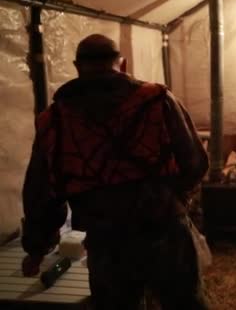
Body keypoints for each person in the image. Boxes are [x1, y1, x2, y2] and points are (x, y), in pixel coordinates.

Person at [21, 34, 210, 309]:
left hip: (107, 241)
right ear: (122, 64)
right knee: (184, 304)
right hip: (164, 228)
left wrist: (37, 248)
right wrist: (177, 199)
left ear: (77, 66)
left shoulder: (55, 120)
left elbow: (41, 191)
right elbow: (194, 161)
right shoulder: (156, 100)